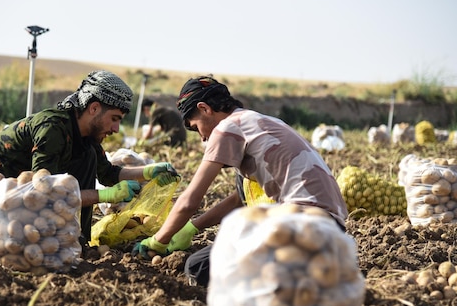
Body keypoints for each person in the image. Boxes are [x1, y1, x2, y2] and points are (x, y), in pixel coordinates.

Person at [132, 76, 348, 286]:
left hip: (303, 227)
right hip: (332, 231)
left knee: (200, 267)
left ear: (205, 109)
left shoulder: (226, 128)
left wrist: (158, 240)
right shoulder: (261, 121)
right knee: (241, 182)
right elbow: (239, 199)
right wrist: (191, 228)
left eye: (197, 127)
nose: (202, 138)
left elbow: (190, 200)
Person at [0, 70, 179, 246]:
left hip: (23, 194)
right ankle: (66, 240)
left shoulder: (87, 137)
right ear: (94, 108)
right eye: (114, 119)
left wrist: (149, 172)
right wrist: (105, 196)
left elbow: (109, 173)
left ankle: (79, 240)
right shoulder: (53, 128)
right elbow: (43, 191)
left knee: (87, 157)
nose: (116, 128)